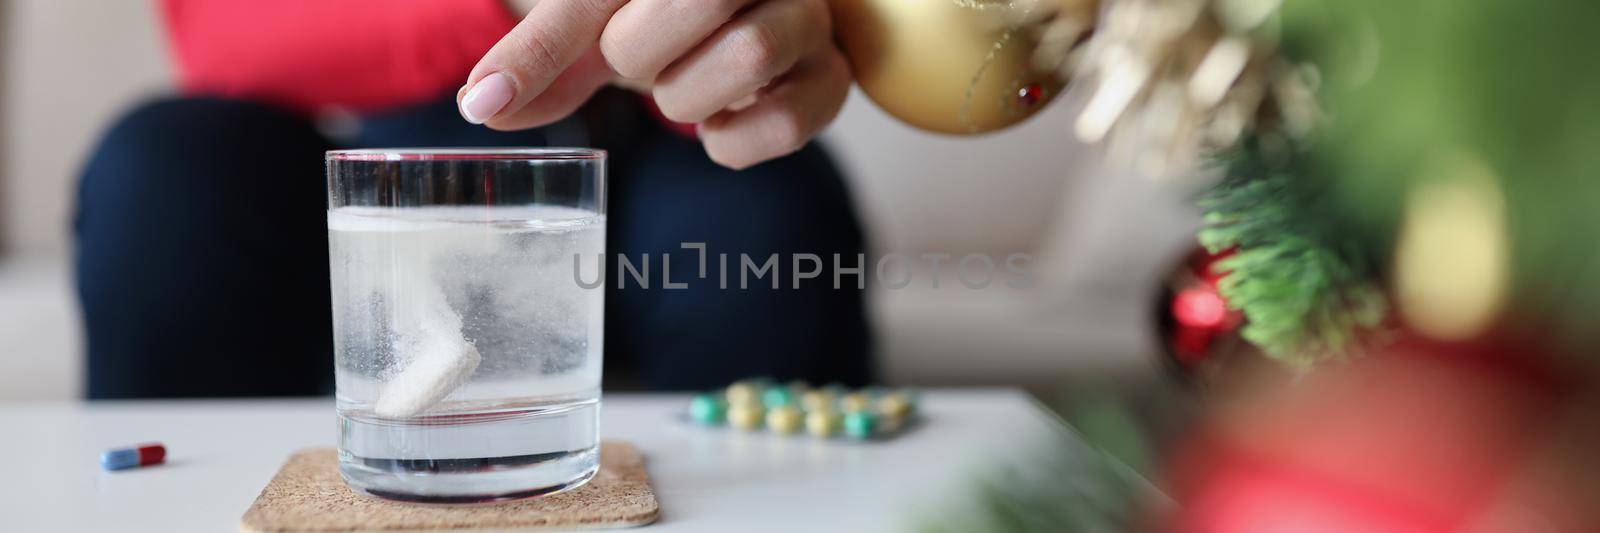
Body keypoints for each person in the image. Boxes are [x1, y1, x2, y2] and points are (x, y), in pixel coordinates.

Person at [77, 0, 871, 398]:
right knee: (162, 182)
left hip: (642, 152)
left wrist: (730, 40)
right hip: (339, 164)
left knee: (760, 219)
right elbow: (221, 28)